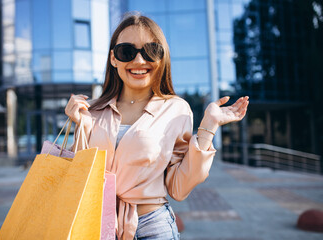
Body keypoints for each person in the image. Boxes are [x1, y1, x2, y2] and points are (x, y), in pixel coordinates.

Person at [65, 13, 249, 240]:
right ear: (114, 58)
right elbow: (77, 176)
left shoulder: (176, 110)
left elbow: (179, 188)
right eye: (127, 52)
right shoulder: (91, 110)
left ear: (162, 58)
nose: (139, 61)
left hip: (151, 227)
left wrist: (208, 126)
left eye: (151, 51)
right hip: (93, 223)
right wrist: (79, 124)